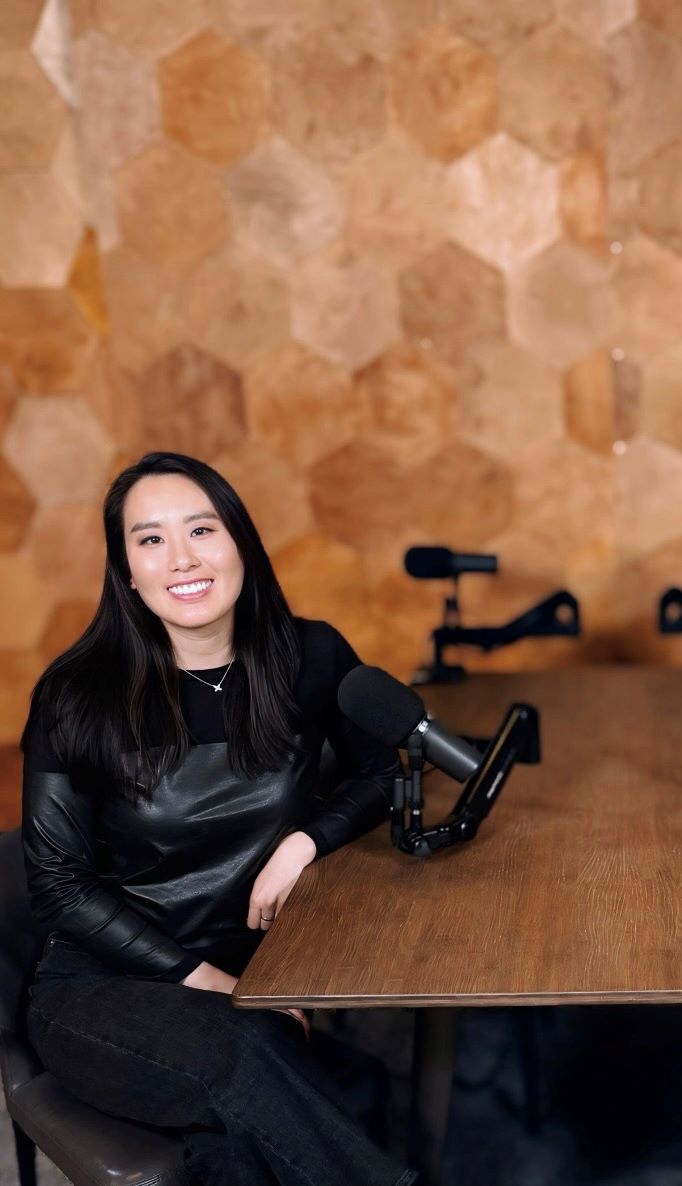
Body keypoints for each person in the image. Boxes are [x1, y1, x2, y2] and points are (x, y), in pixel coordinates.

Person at [21, 452, 416, 1186]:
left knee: (241, 1145)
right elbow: (58, 885)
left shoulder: (310, 655)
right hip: (103, 988)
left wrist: (306, 841)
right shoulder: (77, 695)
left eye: (201, 529)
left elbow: (380, 774)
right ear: (126, 571)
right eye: (150, 539)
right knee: (248, 1055)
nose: (182, 558)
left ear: (241, 542)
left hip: (254, 974)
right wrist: (203, 979)